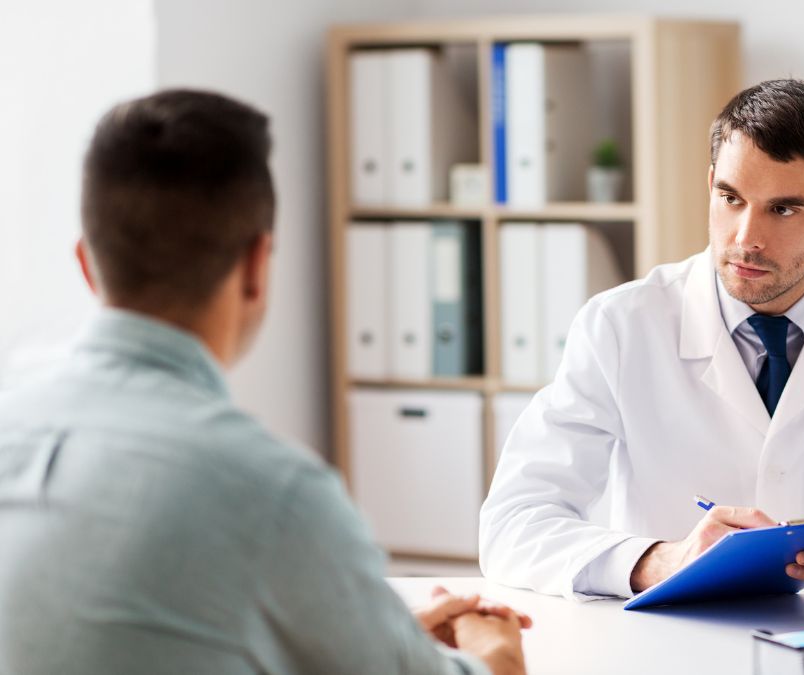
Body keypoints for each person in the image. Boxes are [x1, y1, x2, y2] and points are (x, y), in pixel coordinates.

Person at [0, 89, 529, 675]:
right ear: (257, 265)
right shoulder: (274, 493)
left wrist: (388, 638)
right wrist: (495, 650)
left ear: (85, 265)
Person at [480, 79, 804, 614]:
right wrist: (659, 561)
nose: (744, 238)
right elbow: (513, 523)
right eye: (730, 198)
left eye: (783, 210)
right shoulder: (620, 326)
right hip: (675, 644)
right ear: (710, 184)